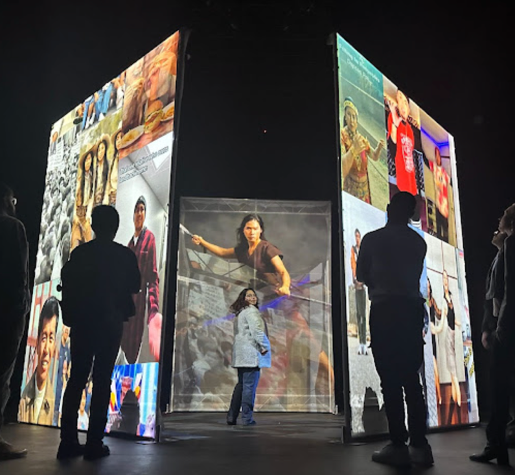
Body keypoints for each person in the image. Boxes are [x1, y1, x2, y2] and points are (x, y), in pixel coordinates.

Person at [58, 206, 141, 461]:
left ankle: (67, 442)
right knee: (103, 380)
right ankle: (94, 443)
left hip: (83, 322)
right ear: (116, 227)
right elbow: (136, 285)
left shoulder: (81, 253)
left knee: (76, 379)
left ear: (93, 226)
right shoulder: (124, 255)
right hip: (110, 322)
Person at [357, 192, 433, 468]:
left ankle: (398, 444)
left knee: (389, 379)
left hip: (385, 310)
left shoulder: (372, 239)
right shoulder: (418, 242)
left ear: (389, 209)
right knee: (411, 380)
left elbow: (361, 275)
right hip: (410, 311)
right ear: (412, 214)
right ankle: (420, 446)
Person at [471, 204, 515, 466]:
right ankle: (497, 444)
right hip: (502, 325)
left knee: (499, 387)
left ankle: (496, 444)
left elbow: (508, 292)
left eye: (503, 216)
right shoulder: (503, 250)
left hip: (507, 328)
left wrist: (499, 330)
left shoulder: (510, 245)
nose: (498, 220)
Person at [0, 183, 30, 460]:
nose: (14, 204)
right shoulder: (13, 227)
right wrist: (21, 311)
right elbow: (19, 275)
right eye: (13, 200)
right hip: (7, 314)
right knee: (2, 376)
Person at [192, 214, 291, 297]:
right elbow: (222, 252)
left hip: (272, 293)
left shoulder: (267, 248)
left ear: (260, 230)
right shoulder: (242, 250)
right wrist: (202, 241)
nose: (252, 232)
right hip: (254, 294)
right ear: (243, 230)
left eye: (255, 228)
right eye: (248, 228)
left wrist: (285, 286)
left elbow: (283, 272)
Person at [121, 196, 162, 365]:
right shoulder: (129, 245)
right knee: (122, 345)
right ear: (133, 215)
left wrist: (153, 312)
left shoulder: (149, 238)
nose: (139, 213)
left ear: (145, 214)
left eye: (142, 210)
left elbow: (152, 278)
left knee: (133, 351)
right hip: (124, 305)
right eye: (137, 210)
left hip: (138, 305)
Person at [227, 289, 271, 427]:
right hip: (251, 354)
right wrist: (264, 346)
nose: (253, 297)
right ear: (244, 298)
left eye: (254, 295)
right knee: (248, 388)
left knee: (241, 386)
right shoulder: (251, 312)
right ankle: (247, 418)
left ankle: (232, 416)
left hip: (241, 355)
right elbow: (257, 331)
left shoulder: (241, 313)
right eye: (249, 295)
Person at [19, 297, 60, 427]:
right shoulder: (22, 400)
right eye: (43, 338)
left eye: (51, 338)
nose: (46, 349)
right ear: (37, 344)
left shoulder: (55, 406)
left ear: (54, 347)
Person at [341, 98, 385, 204]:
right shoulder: (342, 135)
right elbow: (342, 167)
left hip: (364, 191)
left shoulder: (361, 139)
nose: (352, 120)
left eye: (354, 116)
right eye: (349, 115)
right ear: (345, 117)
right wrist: (353, 150)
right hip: (351, 189)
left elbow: (374, 156)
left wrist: (379, 148)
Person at [432, 271, 462, 426]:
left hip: (453, 336)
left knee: (453, 373)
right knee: (454, 374)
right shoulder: (443, 301)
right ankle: (457, 405)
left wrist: (462, 325)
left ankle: (456, 406)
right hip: (447, 338)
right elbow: (443, 321)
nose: (445, 281)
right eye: (443, 278)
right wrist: (435, 328)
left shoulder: (450, 296)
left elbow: (453, 318)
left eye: (446, 278)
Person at [387, 91, 418, 196]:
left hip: (412, 187)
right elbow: (392, 147)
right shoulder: (393, 118)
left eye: (405, 102)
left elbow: (410, 155)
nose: (402, 105)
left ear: (409, 109)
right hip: (399, 185)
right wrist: (395, 126)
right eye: (399, 99)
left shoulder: (410, 130)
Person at [428, 147, 451, 242]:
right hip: (438, 203)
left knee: (445, 227)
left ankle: (446, 240)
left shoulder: (445, 173)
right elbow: (426, 159)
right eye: (436, 155)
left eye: (439, 155)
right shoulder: (433, 167)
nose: (437, 158)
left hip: (444, 206)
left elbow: (449, 181)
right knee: (438, 226)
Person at [351, 229, 368, 356]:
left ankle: (364, 343)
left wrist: (363, 281)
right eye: (356, 236)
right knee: (358, 315)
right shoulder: (353, 250)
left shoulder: (363, 250)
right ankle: (360, 343)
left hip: (363, 287)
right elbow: (352, 265)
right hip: (357, 286)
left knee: (363, 315)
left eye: (358, 236)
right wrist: (355, 279)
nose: (357, 238)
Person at [427, 279, 443, 407]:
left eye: (428, 287)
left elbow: (439, 314)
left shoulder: (432, 301)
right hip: (426, 337)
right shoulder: (422, 301)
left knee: (435, 367)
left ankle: (439, 398)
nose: (427, 289)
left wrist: (444, 311)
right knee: (433, 369)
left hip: (432, 337)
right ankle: (438, 398)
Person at [54, 325, 71, 425]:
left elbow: (68, 368)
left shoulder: (67, 350)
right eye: (65, 331)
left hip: (62, 387)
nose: (66, 333)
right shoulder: (58, 347)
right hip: (55, 386)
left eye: (68, 332)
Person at [94, 137, 111, 207]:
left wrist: (105, 197)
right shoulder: (95, 168)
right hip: (95, 202)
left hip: (104, 200)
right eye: (98, 150)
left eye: (102, 148)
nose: (100, 152)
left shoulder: (108, 164)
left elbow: (108, 183)